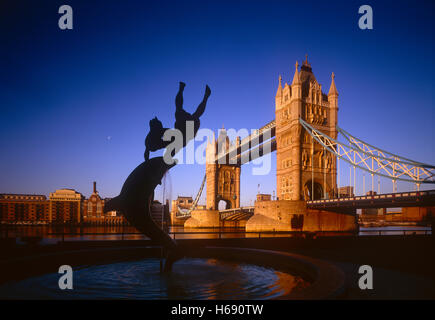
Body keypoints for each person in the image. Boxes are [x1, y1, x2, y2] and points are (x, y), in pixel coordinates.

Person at [174, 81, 211, 146]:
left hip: (182, 126)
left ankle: (181, 89)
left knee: (179, 109)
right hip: (186, 129)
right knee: (194, 115)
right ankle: (206, 97)